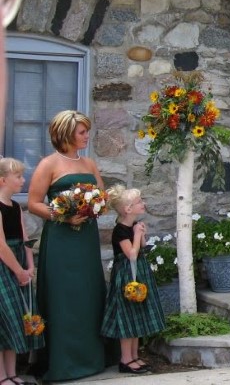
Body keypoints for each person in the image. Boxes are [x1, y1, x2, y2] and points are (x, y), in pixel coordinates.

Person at [27, 110, 112, 381]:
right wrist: (61, 214)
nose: (87, 136)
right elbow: (33, 203)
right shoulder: (48, 164)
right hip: (61, 240)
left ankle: (91, 358)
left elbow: (102, 197)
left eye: (87, 131)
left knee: (87, 293)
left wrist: (94, 207)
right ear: (66, 134)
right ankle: (63, 363)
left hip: (86, 238)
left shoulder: (89, 164)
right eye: (82, 132)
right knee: (63, 296)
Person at [101, 185, 165, 374]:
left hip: (138, 273)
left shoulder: (132, 226)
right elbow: (132, 254)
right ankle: (125, 359)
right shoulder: (120, 230)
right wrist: (137, 235)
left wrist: (141, 234)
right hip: (127, 276)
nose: (143, 204)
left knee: (137, 316)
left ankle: (135, 355)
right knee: (128, 316)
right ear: (128, 209)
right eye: (139, 202)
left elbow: (142, 247)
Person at [0, 158, 43, 385]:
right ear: (3, 180)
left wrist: (30, 265)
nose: (22, 180)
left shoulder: (16, 206)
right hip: (4, 267)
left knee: (16, 318)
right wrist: (18, 271)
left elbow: (25, 239)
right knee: (3, 318)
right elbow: (1, 246)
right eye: (18, 177)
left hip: (18, 264)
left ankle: (12, 373)